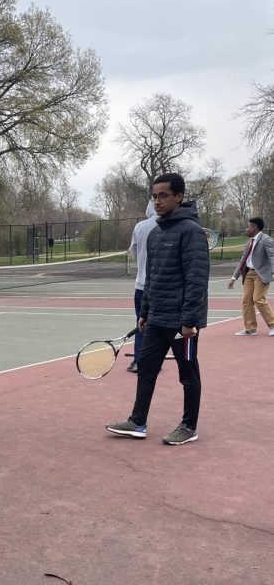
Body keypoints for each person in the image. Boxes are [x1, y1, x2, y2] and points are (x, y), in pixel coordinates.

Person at [106, 172, 209, 445]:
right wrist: (145, 313)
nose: (158, 201)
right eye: (154, 196)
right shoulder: (154, 233)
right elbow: (151, 277)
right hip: (156, 320)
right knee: (146, 370)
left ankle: (189, 426)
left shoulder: (192, 232)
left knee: (188, 375)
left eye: (163, 195)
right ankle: (137, 421)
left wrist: (189, 321)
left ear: (179, 196)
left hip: (182, 325)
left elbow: (196, 280)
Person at [227, 217, 274, 336]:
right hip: (248, 274)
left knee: (258, 299)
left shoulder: (266, 240)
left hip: (261, 274)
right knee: (246, 301)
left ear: (254, 227)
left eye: (248, 227)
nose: (246, 229)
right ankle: (250, 328)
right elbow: (242, 261)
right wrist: (233, 278)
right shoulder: (249, 242)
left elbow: (272, 256)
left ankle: (273, 325)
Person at [127, 199, 158, 373]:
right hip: (160, 286)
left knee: (142, 323)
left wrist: (141, 261)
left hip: (142, 285)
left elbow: (133, 250)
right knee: (160, 326)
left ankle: (141, 360)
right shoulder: (172, 225)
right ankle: (152, 360)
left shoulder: (140, 227)